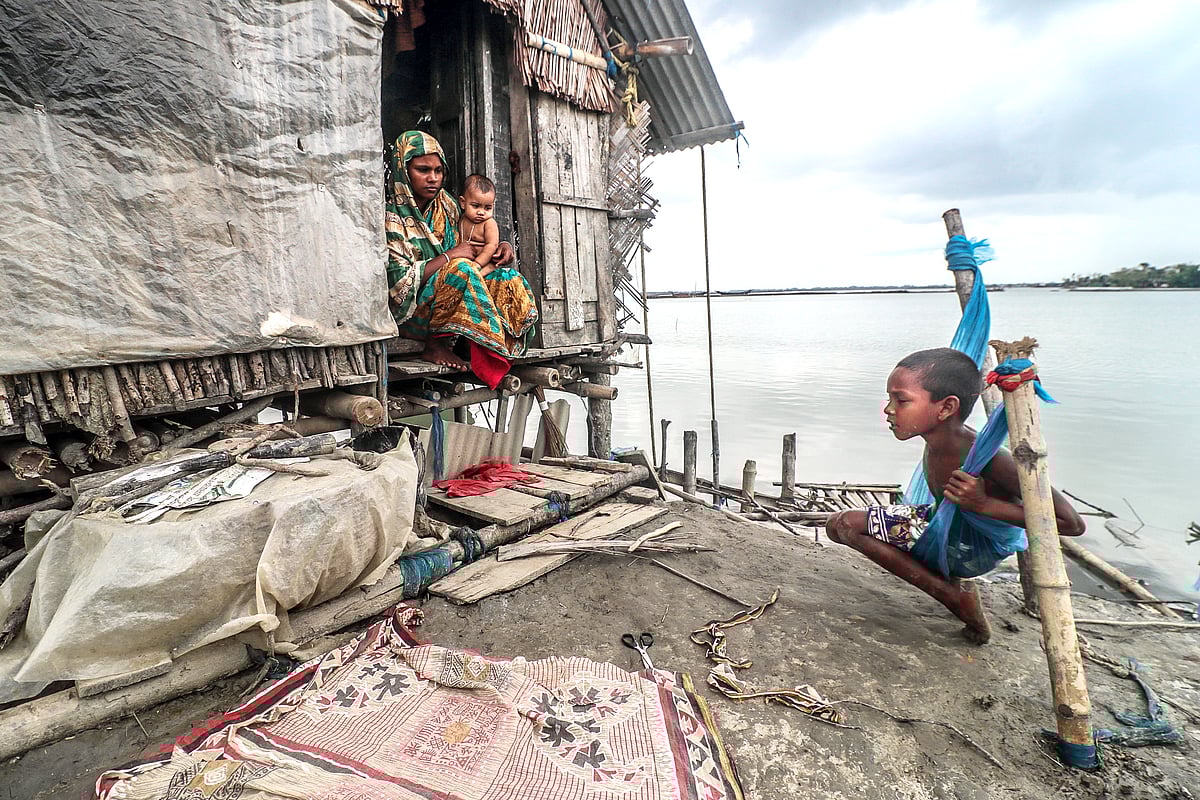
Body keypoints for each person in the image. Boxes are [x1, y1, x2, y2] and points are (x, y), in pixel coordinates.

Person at [825, 347, 1085, 644]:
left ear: (946, 408)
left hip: (969, 548)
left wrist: (984, 504)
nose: (889, 409)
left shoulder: (987, 458)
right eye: (890, 399)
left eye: (901, 400)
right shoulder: (937, 438)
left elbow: (1071, 523)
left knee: (847, 524)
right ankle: (949, 587)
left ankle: (953, 595)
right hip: (941, 525)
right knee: (836, 526)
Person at [384, 131, 537, 388]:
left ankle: (485, 345)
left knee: (507, 277)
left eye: (438, 171)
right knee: (461, 269)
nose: (433, 178)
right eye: (423, 170)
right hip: (413, 315)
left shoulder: (448, 205)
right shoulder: (390, 218)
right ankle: (435, 344)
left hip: (455, 295)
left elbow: (475, 238)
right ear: (403, 170)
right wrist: (450, 256)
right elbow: (398, 285)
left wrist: (501, 247)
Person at [457, 174, 500, 273]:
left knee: (482, 273)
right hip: (465, 261)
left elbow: (492, 245)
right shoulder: (462, 219)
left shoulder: (489, 223)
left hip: (485, 263)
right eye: (476, 206)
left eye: (487, 208)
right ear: (463, 203)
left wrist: (477, 263)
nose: (481, 212)